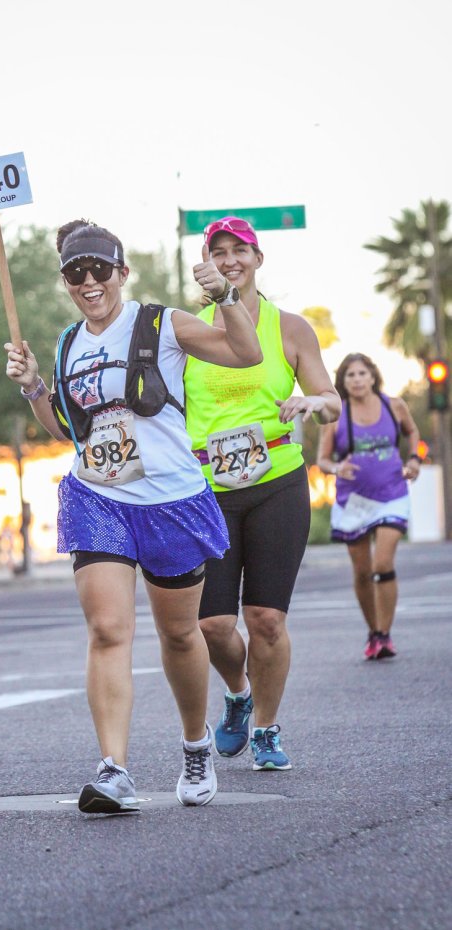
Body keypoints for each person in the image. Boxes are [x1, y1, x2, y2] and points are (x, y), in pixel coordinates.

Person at [5, 218, 262, 813]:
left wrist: (224, 297)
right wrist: (34, 387)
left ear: (121, 273)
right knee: (107, 630)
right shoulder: (70, 341)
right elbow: (70, 431)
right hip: (99, 495)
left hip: (170, 500)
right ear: (66, 281)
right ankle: (114, 768)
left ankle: (195, 743)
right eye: (76, 272)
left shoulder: (161, 323)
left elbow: (245, 354)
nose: (89, 281)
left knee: (179, 633)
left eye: (100, 269)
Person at [183, 216, 341, 771]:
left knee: (267, 619)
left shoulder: (291, 328)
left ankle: (268, 728)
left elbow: (331, 397)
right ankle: (239, 694)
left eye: (239, 250)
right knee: (212, 625)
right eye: (217, 251)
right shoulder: (190, 329)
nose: (229, 259)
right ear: (206, 264)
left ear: (258, 258)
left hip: (276, 478)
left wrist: (312, 403)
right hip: (209, 489)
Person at [317, 352, 422, 660]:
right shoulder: (338, 415)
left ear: (373, 376)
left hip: (392, 494)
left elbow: (412, 431)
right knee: (363, 572)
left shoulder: (395, 405)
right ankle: (374, 632)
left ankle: (386, 634)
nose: (358, 379)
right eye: (350, 375)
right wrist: (336, 468)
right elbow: (322, 460)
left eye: (362, 373)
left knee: (382, 564)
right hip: (355, 502)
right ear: (343, 382)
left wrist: (414, 459)